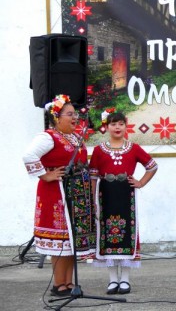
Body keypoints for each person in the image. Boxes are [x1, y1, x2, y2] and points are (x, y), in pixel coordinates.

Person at [22, 94, 96, 296]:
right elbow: (28, 155)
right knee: (60, 241)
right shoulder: (48, 137)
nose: (75, 118)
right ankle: (58, 284)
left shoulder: (74, 138)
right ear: (57, 117)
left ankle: (70, 283)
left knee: (71, 240)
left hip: (76, 194)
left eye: (75, 114)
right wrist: (45, 175)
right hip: (56, 194)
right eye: (69, 114)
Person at [89, 110, 157, 295]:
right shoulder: (98, 150)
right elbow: (93, 176)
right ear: (106, 127)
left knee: (127, 234)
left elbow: (152, 166)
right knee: (107, 234)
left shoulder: (133, 148)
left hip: (127, 196)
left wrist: (141, 182)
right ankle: (112, 280)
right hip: (106, 196)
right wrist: (92, 200)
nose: (117, 127)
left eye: (120, 124)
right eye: (113, 124)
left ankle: (125, 280)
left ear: (126, 126)